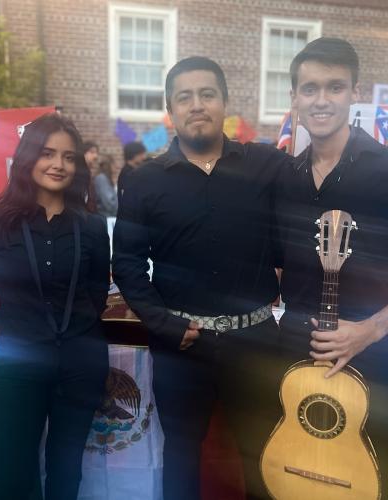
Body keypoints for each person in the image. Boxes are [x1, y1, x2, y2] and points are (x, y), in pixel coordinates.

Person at [112, 56, 287, 500]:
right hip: (181, 348)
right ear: (171, 110)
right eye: (184, 97)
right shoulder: (144, 180)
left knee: (263, 452)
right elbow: (128, 263)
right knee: (183, 456)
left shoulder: (266, 166)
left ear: (224, 102)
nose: (197, 105)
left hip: (257, 343)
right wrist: (164, 324)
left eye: (207, 94)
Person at [276, 37, 388, 494]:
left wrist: (372, 329)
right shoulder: (284, 177)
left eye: (335, 87)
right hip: (292, 360)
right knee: (294, 474)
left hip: (372, 361)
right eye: (310, 88)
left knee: (365, 480)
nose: (321, 100)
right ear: (295, 98)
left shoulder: (384, 171)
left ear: (355, 94)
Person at [0, 113, 110, 500]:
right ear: (28, 158)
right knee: (10, 469)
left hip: (81, 362)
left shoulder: (91, 226)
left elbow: (96, 293)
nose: (59, 165)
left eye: (69, 157)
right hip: (18, 361)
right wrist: (0, 321)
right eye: (47, 153)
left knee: (66, 469)